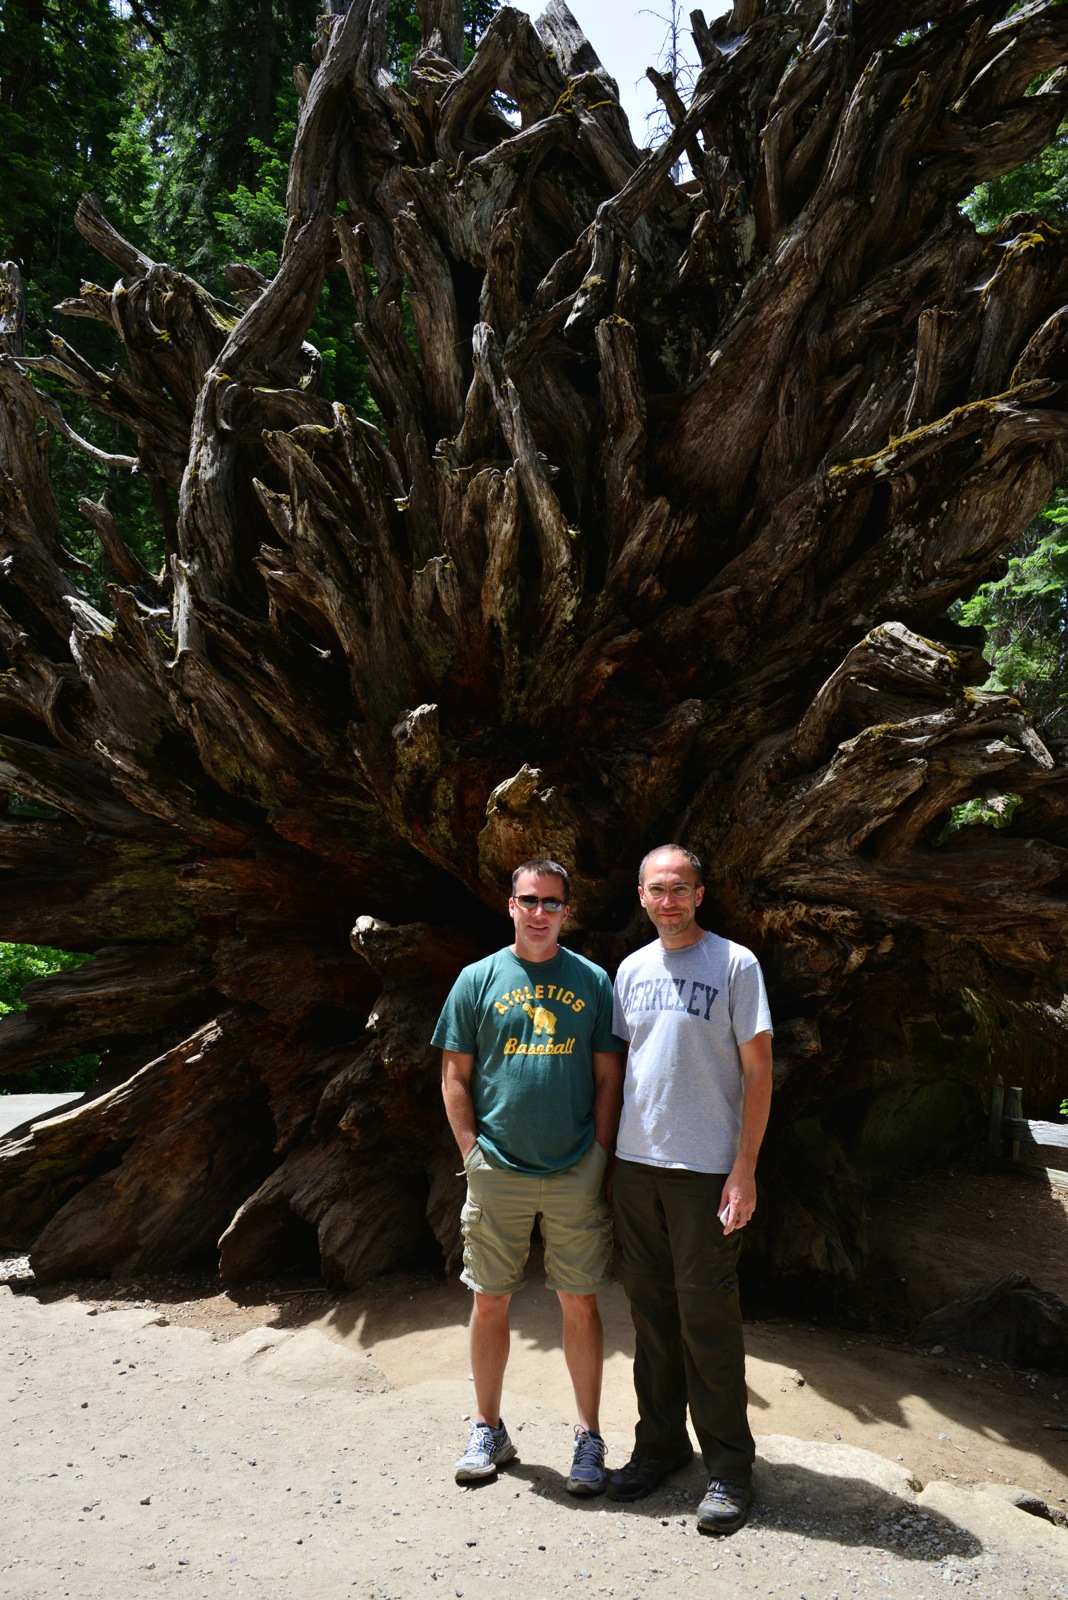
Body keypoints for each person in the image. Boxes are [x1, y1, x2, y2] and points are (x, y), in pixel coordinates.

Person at [435, 858, 624, 1495]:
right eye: (529, 900)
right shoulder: (476, 979)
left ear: (566, 911)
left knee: (580, 1300)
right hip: (497, 1170)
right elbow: (454, 1076)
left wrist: (598, 1154)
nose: (539, 912)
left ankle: (588, 1437)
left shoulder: (593, 981)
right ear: (510, 906)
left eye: (551, 902)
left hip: (575, 1167)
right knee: (489, 1300)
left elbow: (607, 1077)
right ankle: (488, 1427)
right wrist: (471, 1154)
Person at [606, 844, 773, 1535]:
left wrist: (745, 1169)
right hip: (636, 1167)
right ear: (640, 896)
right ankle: (661, 1447)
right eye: (656, 889)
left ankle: (730, 1469)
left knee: (706, 1319)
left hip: (706, 1172)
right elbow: (622, 1069)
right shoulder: (631, 968)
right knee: (650, 1317)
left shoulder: (735, 964)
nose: (667, 900)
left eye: (679, 888)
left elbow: (759, 1074)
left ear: (700, 894)